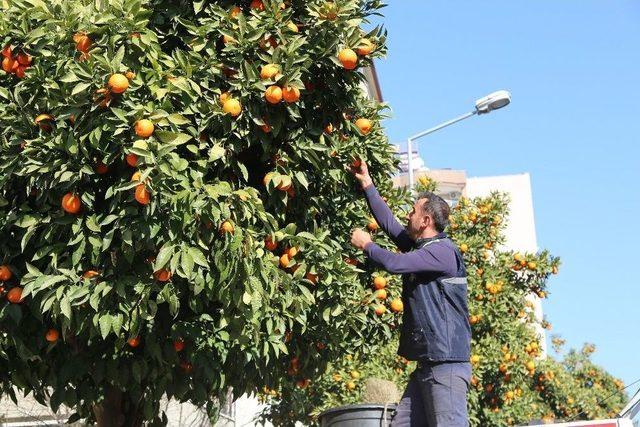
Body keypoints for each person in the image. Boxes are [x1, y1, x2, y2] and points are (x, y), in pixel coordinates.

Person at [349, 161, 472, 427]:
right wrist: (367, 184)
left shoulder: (442, 252)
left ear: (426, 220)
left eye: (413, 211)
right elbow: (391, 226)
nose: (408, 215)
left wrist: (366, 245)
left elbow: (395, 264)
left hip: (447, 364)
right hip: (428, 365)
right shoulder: (423, 248)